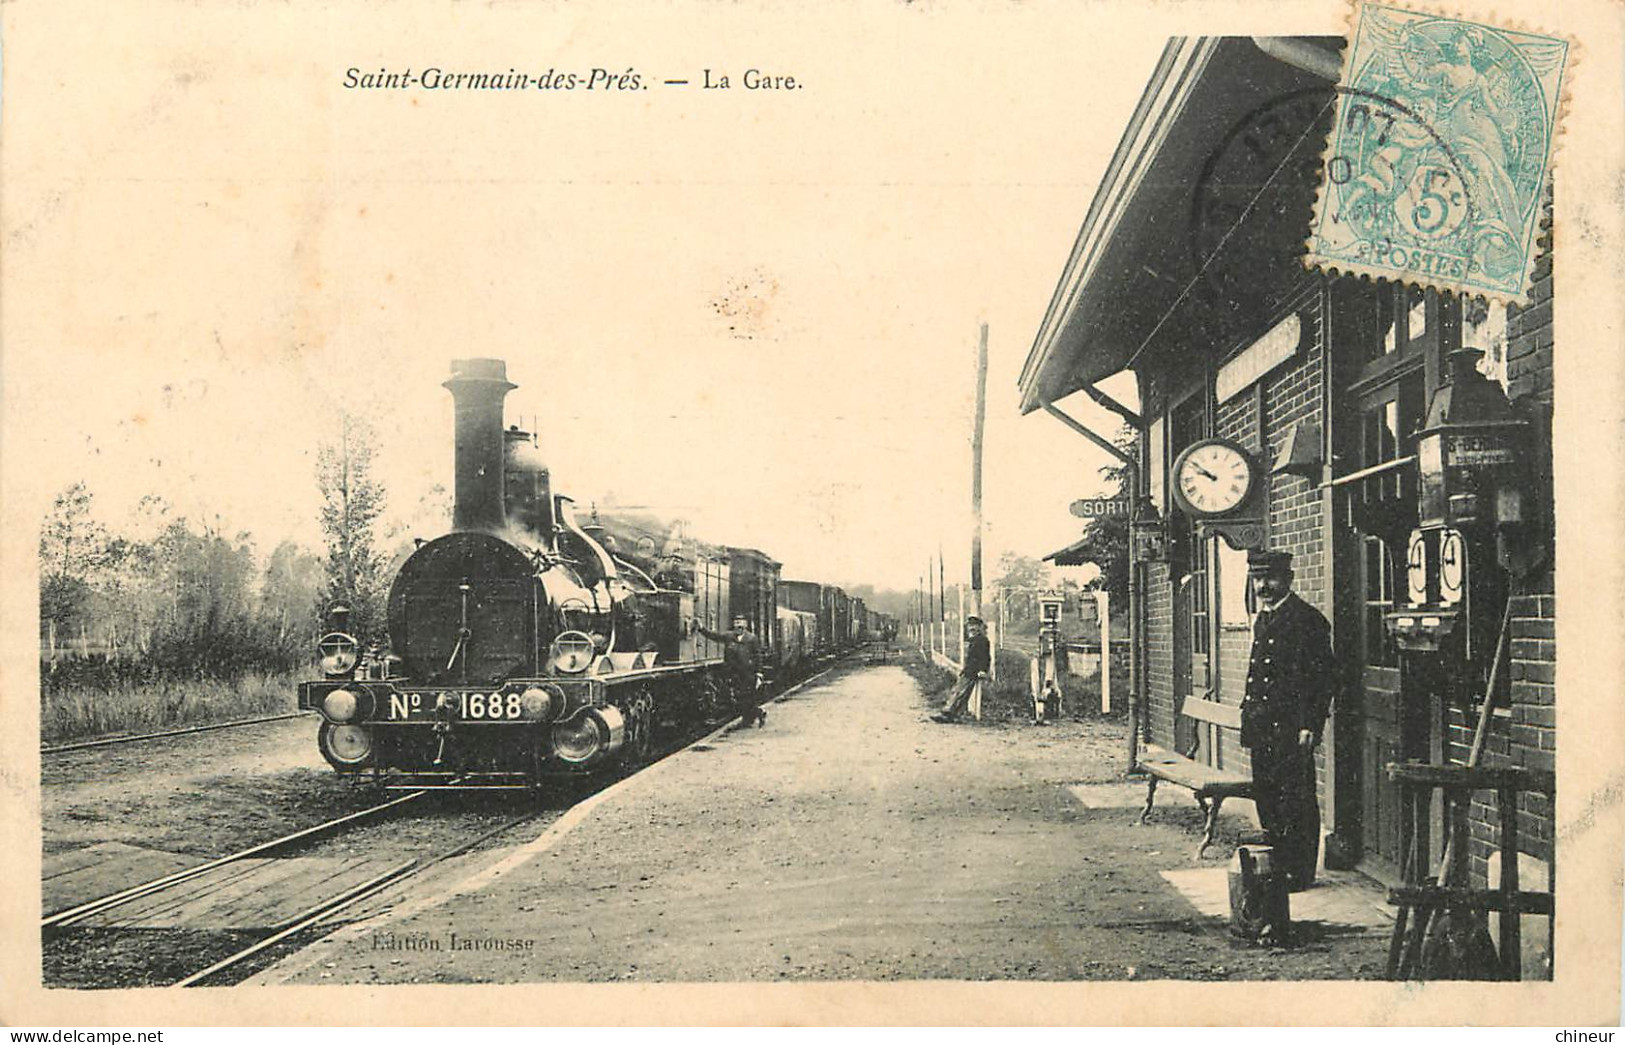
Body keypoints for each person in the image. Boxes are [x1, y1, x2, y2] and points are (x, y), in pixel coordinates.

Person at [1240, 550, 1336, 892]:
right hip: (1262, 726)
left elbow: (1322, 679)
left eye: (1271, 578)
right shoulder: (1263, 619)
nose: (1264, 586)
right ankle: (1277, 865)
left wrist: (1311, 723)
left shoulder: (1307, 620)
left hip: (1292, 728)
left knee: (1295, 799)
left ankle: (1299, 870)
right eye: (1258, 579)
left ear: (1289, 580)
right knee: (1266, 796)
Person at [698, 614, 766, 727]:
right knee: (739, 698)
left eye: (741, 623)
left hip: (748, 673)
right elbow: (714, 636)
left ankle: (753, 716)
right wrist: (701, 628)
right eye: (737, 623)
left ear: (746, 625)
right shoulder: (729, 636)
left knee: (747, 698)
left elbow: (758, 656)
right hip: (733, 672)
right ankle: (754, 716)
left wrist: (759, 673)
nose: (739, 625)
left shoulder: (752, 638)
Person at [932, 616, 990, 723]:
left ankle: (949, 712)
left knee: (960, 692)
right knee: (959, 692)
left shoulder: (982, 640)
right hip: (968, 670)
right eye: (970, 626)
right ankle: (952, 714)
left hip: (974, 671)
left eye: (974, 626)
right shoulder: (973, 639)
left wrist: (983, 670)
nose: (971, 628)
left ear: (979, 627)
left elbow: (985, 657)